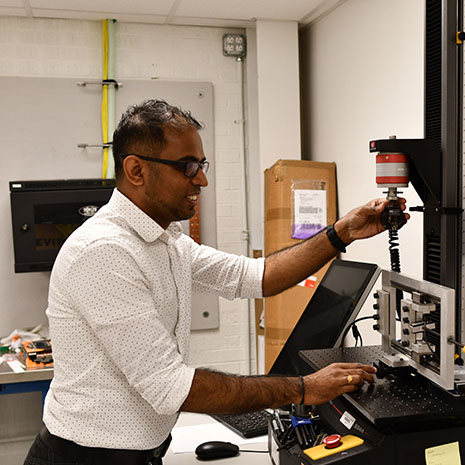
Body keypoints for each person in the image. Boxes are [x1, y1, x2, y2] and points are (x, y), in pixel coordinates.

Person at [24, 99, 407, 465]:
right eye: (188, 167)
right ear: (137, 170)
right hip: (84, 457)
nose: (202, 179)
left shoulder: (169, 240)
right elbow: (171, 387)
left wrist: (343, 232)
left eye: (201, 164)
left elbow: (259, 277)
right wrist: (305, 388)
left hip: (138, 453)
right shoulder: (105, 252)